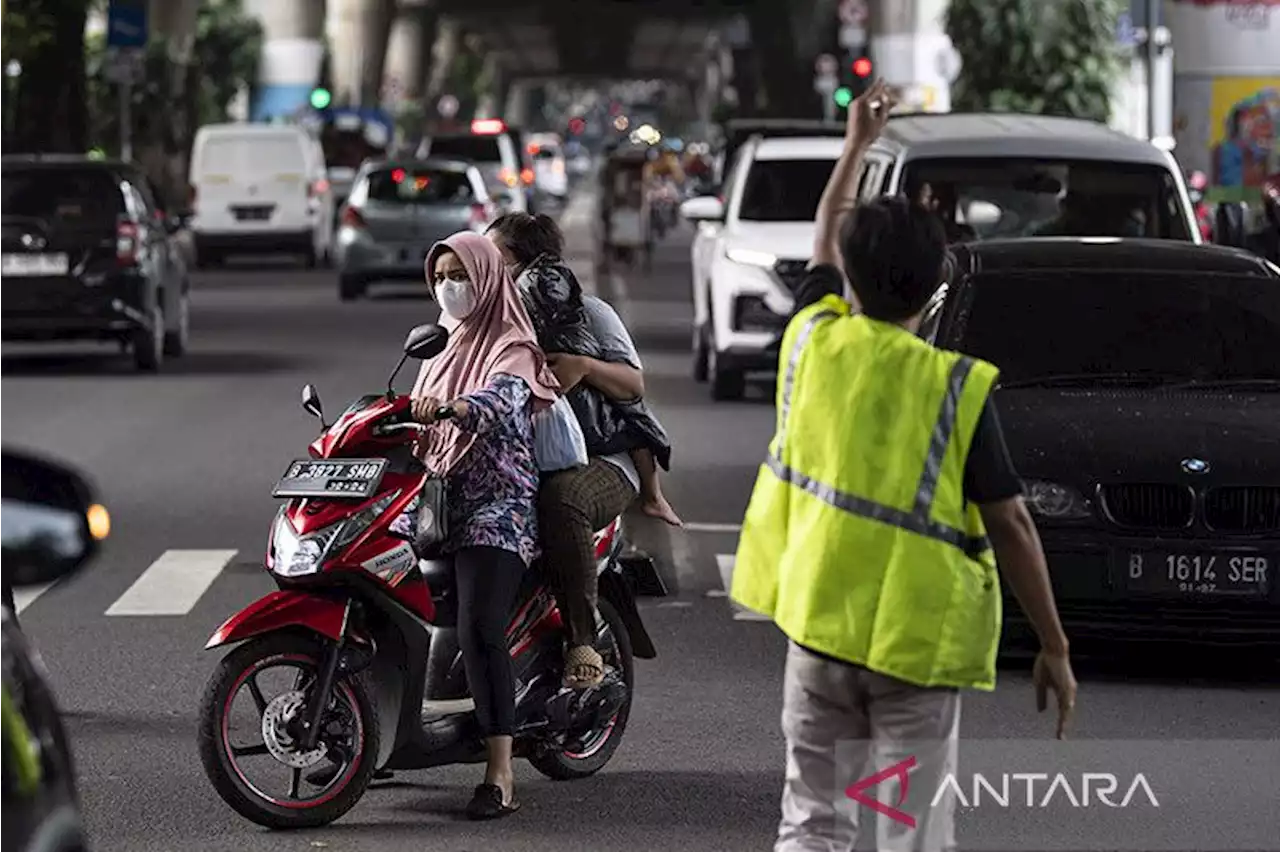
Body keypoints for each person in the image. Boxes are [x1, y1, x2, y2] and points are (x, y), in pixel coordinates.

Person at [731, 80, 1078, 851]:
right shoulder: (957, 385)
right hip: (916, 648)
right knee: (908, 831)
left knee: (811, 820)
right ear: (934, 287)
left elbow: (824, 236)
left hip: (819, 625)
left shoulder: (813, 343)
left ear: (850, 275)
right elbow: (1012, 523)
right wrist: (1053, 646)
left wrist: (857, 144)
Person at [408, 231, 561, 819]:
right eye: (440, 276)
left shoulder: (512, 345)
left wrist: (460, 408)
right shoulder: (441, 347)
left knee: (478, 627)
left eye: (460, 275)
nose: (448, 287)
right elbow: (412, 416)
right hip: (436, 502)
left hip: (498, 507)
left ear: (487, 277)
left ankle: (500, 772)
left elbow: (501, 399)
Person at [486, 212, 670, 688]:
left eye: (495, 259)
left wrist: (583, 365)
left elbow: (633, 386)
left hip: (601, 459)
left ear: (530, 264)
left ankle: (581, 641)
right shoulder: (483, 322)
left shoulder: (589, 314)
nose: (482, 271)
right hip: (516, 462)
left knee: (562, 497)